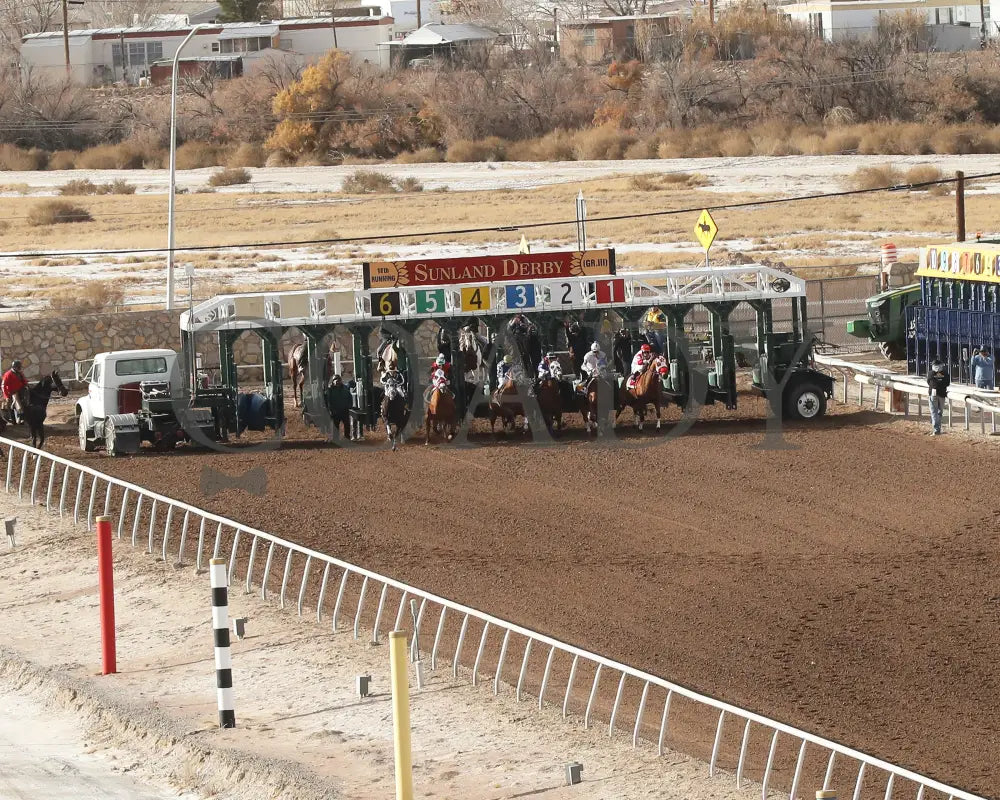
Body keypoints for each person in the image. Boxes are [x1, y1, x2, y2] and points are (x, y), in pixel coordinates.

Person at [928, 359, 950, 435]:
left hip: (933, 394)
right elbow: (947, 383)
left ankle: (936, 429)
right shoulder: (945, 373)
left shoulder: (931, 373)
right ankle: (938, 428)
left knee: (934, 412)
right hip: (942, 394)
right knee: (939, 412)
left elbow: (929, 382)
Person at [2, 359, 27, 424]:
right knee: (17, 402)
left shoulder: (19, 373)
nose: (19, 368)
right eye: (18, 367)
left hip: (21, 391)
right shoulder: (8, 374)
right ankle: (19, 418)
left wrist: (26, 385)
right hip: (12, 392)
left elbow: (24, 381)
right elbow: (3, 386)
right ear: (14, 367)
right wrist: (6, 396)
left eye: (20, 367)